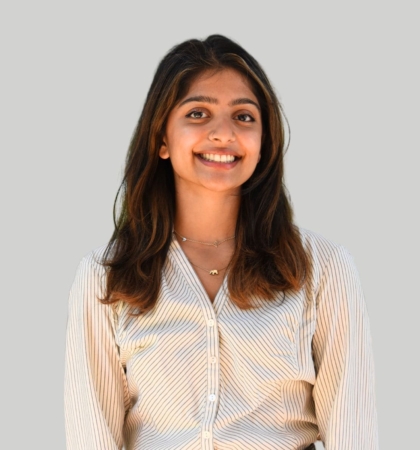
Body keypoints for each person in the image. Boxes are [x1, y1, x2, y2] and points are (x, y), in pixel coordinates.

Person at [64, 35, 378, 450]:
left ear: (263, 142)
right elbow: (92, 438)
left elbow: (353, 433)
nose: (223, 133)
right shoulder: (106, 279)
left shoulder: (323, 269)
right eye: (198, 113)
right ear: (161, 138)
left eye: (244, 117)